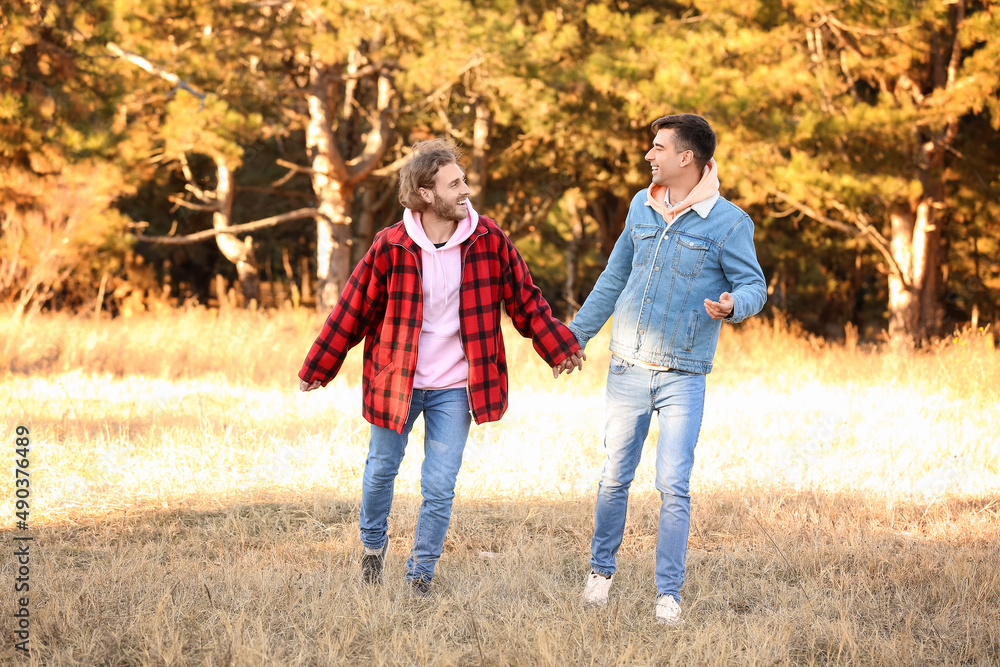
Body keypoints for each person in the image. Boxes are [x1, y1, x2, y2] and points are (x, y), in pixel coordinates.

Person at [299, 139, 583, 596]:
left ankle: (420, 573)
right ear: (426, 193)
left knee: (440, 485)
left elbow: (525, 299)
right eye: (455, 184)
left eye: (464, 180)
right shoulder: (391, 246)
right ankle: (372, 548)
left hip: (457, 386)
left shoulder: (488, 239)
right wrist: (320, 364)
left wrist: (558, 346)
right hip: (398, 380)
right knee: (380, 470)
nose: (466, 190)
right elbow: (353, 309)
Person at [556, 114, 766, 624]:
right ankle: (600, 574)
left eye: (658, 147)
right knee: (614, 478)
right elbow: (614, 275)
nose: (650, 155)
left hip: (683, 375)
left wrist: (732, 305)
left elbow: (754, 286)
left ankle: (667, 595)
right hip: (627, 366)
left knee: (674, 485)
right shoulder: (641, 205)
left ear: (686, 157)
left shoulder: (729, 222)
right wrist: (575, 336)